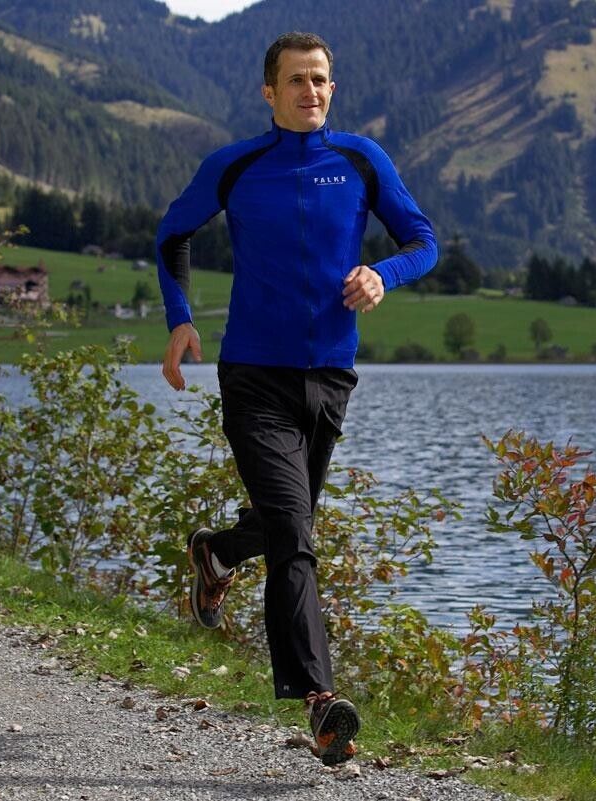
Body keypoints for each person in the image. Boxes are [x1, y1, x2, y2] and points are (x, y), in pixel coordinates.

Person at [155, 31, 437, 766]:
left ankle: (217, 553)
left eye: (320, 80)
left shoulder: (361, 160)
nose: (311, 91)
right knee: (293, 529)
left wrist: (382, 274)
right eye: (296, 80)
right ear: (269, 92)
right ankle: (321, 700)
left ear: (331, 89)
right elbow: (171, 234)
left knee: (289, 524)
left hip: (330, 376)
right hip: (253, 374)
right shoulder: (235, 165)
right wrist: (180, 319)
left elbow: (423, 241)